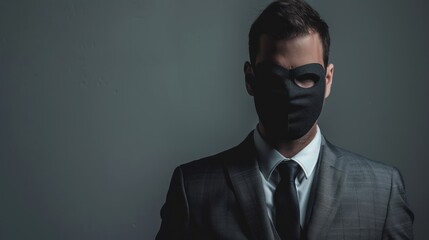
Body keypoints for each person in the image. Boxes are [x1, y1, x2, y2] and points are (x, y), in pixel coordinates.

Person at [155, 0, 414, 239]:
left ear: (328, 80)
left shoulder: (382, 191)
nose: (290, 93)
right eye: (273, 76)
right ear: (250, 79)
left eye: (307, 77)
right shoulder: (193, 189)